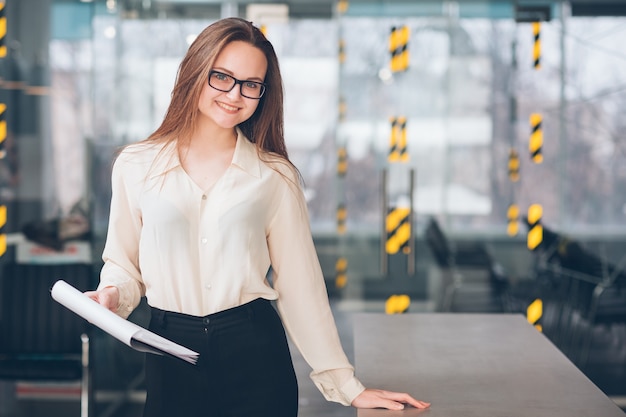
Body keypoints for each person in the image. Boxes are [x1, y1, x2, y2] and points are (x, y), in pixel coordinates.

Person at [86, 17, 430, 417]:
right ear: (195, 72)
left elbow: (301, 287)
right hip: (169, 350)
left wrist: (347, 387)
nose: (235, 95)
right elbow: (124, 265)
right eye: (222, 77)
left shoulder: (274, 176)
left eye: (251, 84)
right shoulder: (136, 165)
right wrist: (111, 294)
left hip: (253, 351)